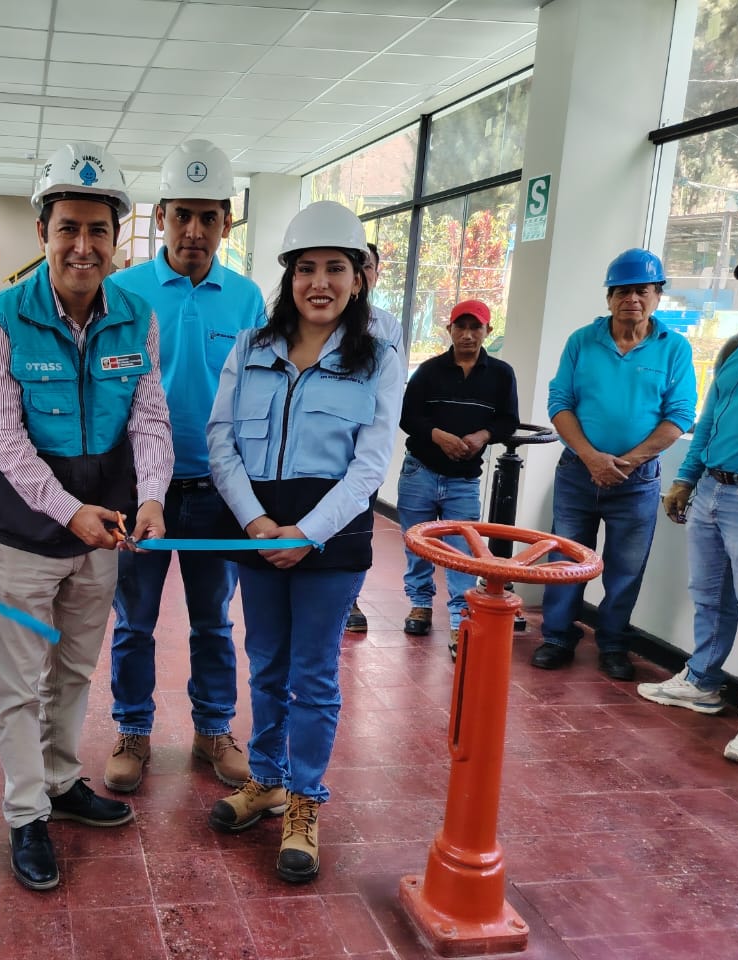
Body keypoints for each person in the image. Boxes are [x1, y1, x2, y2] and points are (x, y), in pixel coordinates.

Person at [0, 142, 173, 891]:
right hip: (24, 533)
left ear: (117, 237)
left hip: (104, 529)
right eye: (68, 229)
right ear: (43, 233)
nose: (83, 246)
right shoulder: (1, 319)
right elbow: (1, 435)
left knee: (76, 669)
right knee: (20, 682)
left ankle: (60, 781)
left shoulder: (137, 318)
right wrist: (67, 511)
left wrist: (151, 494)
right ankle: (26, 813)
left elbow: (149, 416)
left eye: (98, 230)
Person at [205, 200, 402, 883]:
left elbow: (371, 464)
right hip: (258, 530)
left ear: (358, 276)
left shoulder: (377, 358)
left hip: (331, 538)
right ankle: (266, 780)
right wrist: (256, 521)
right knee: (265, 664)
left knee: (313, 675)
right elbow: (221, 441)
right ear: (289, 276)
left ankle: (305, 800)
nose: (320, 283)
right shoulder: (251, 347)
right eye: (306, 268)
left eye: (335, 268)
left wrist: (309, 533)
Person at [102, 139, 265, 794]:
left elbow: (258, 395)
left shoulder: (247, 299)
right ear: (161, 217)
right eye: (182, 216)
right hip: (140, 489)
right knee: (134, 621)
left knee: (213, 622)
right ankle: (133, 730)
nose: (194, 230)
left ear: (226, 222)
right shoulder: (123, 291)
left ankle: (213, 729)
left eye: (208, 217)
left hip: (216, 490)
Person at [637, 238, 738, 766]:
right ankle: (702, 680)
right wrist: (685, 479)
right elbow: (708, 421)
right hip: (712, 492)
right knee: (709, 596)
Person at [532, 248, 696, 681]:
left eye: (642, 290)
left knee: (625, 568)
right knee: (566, 558)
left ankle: (612, 644)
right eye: (622, 291)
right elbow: (560, 402)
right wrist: (591, 457)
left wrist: (626, 462)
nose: (632, 299)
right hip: (577, 474)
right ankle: (557, 637)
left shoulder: (674, 349)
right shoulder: (582, 341)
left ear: (657, 295)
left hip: (637, 481)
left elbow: (680, 415)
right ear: (609, 298)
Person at [397, 299, 519, 657]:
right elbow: (408, 417)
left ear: (487, 331)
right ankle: (420, 604)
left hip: (464, 478)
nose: (467, 335)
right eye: (460, 327)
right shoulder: (429, 371)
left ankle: (459, 618)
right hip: (420, 470)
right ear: (449, 330)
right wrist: (437, 436)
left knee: (463, 551)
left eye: (475, 327)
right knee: (417, 543)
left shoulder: (501, 374)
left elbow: (508, 420)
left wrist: (483, 435)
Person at [345, 240, 406, 633]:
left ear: (375, 275)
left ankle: (350, 599)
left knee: (356, 526)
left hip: (363, 448)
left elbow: (392, 393)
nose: (361, 273)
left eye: (368, 266)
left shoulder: (387, 327)